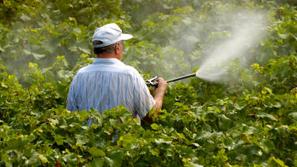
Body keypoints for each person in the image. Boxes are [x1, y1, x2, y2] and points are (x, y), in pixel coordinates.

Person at [66, 23, 167, 122]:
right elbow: (150, 116)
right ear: (117, 47)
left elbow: (71, 118)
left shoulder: (80, 75)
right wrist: (160, 91)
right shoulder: (130, 74)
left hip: (87, 138)